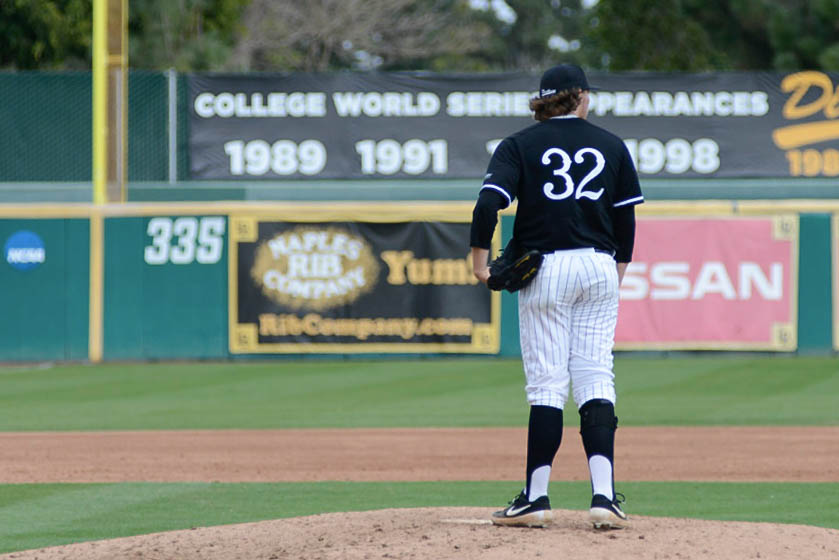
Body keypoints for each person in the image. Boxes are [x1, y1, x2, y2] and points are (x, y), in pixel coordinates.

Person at [469, 63, 643, 530]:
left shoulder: (519, 144)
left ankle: (536, 498)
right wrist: (616, 269)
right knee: (595, 378)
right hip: (599, 265)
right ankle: (604, 497)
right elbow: (626, 221)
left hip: (546, 266)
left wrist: (479, 261)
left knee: (547, 386)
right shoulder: (612, 144)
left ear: (543, 100)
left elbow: (489, 204)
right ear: (582, 96)